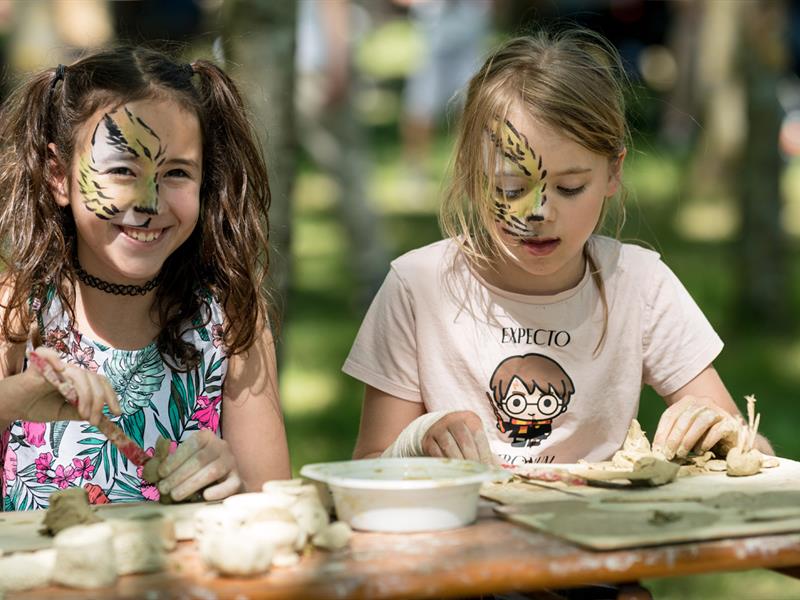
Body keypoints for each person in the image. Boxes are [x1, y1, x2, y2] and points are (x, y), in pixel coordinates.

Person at [345, 28, 772, 470]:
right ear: (472, 176)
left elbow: (752, 455)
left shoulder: (640, 285)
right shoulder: (418, 287)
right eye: (511, 187)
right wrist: (418, 440)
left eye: (570, 187)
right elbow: (369, 465)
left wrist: (716, 431)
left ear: (612, 173)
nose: (539, 212)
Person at [0, 46, 291, 510]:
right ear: (59, 177)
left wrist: (231, 482)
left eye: (176, 172)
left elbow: (276, 513)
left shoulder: (230, 323)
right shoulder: (15, 312)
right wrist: (14, 400)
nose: (149, 201)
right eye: (121, 171)